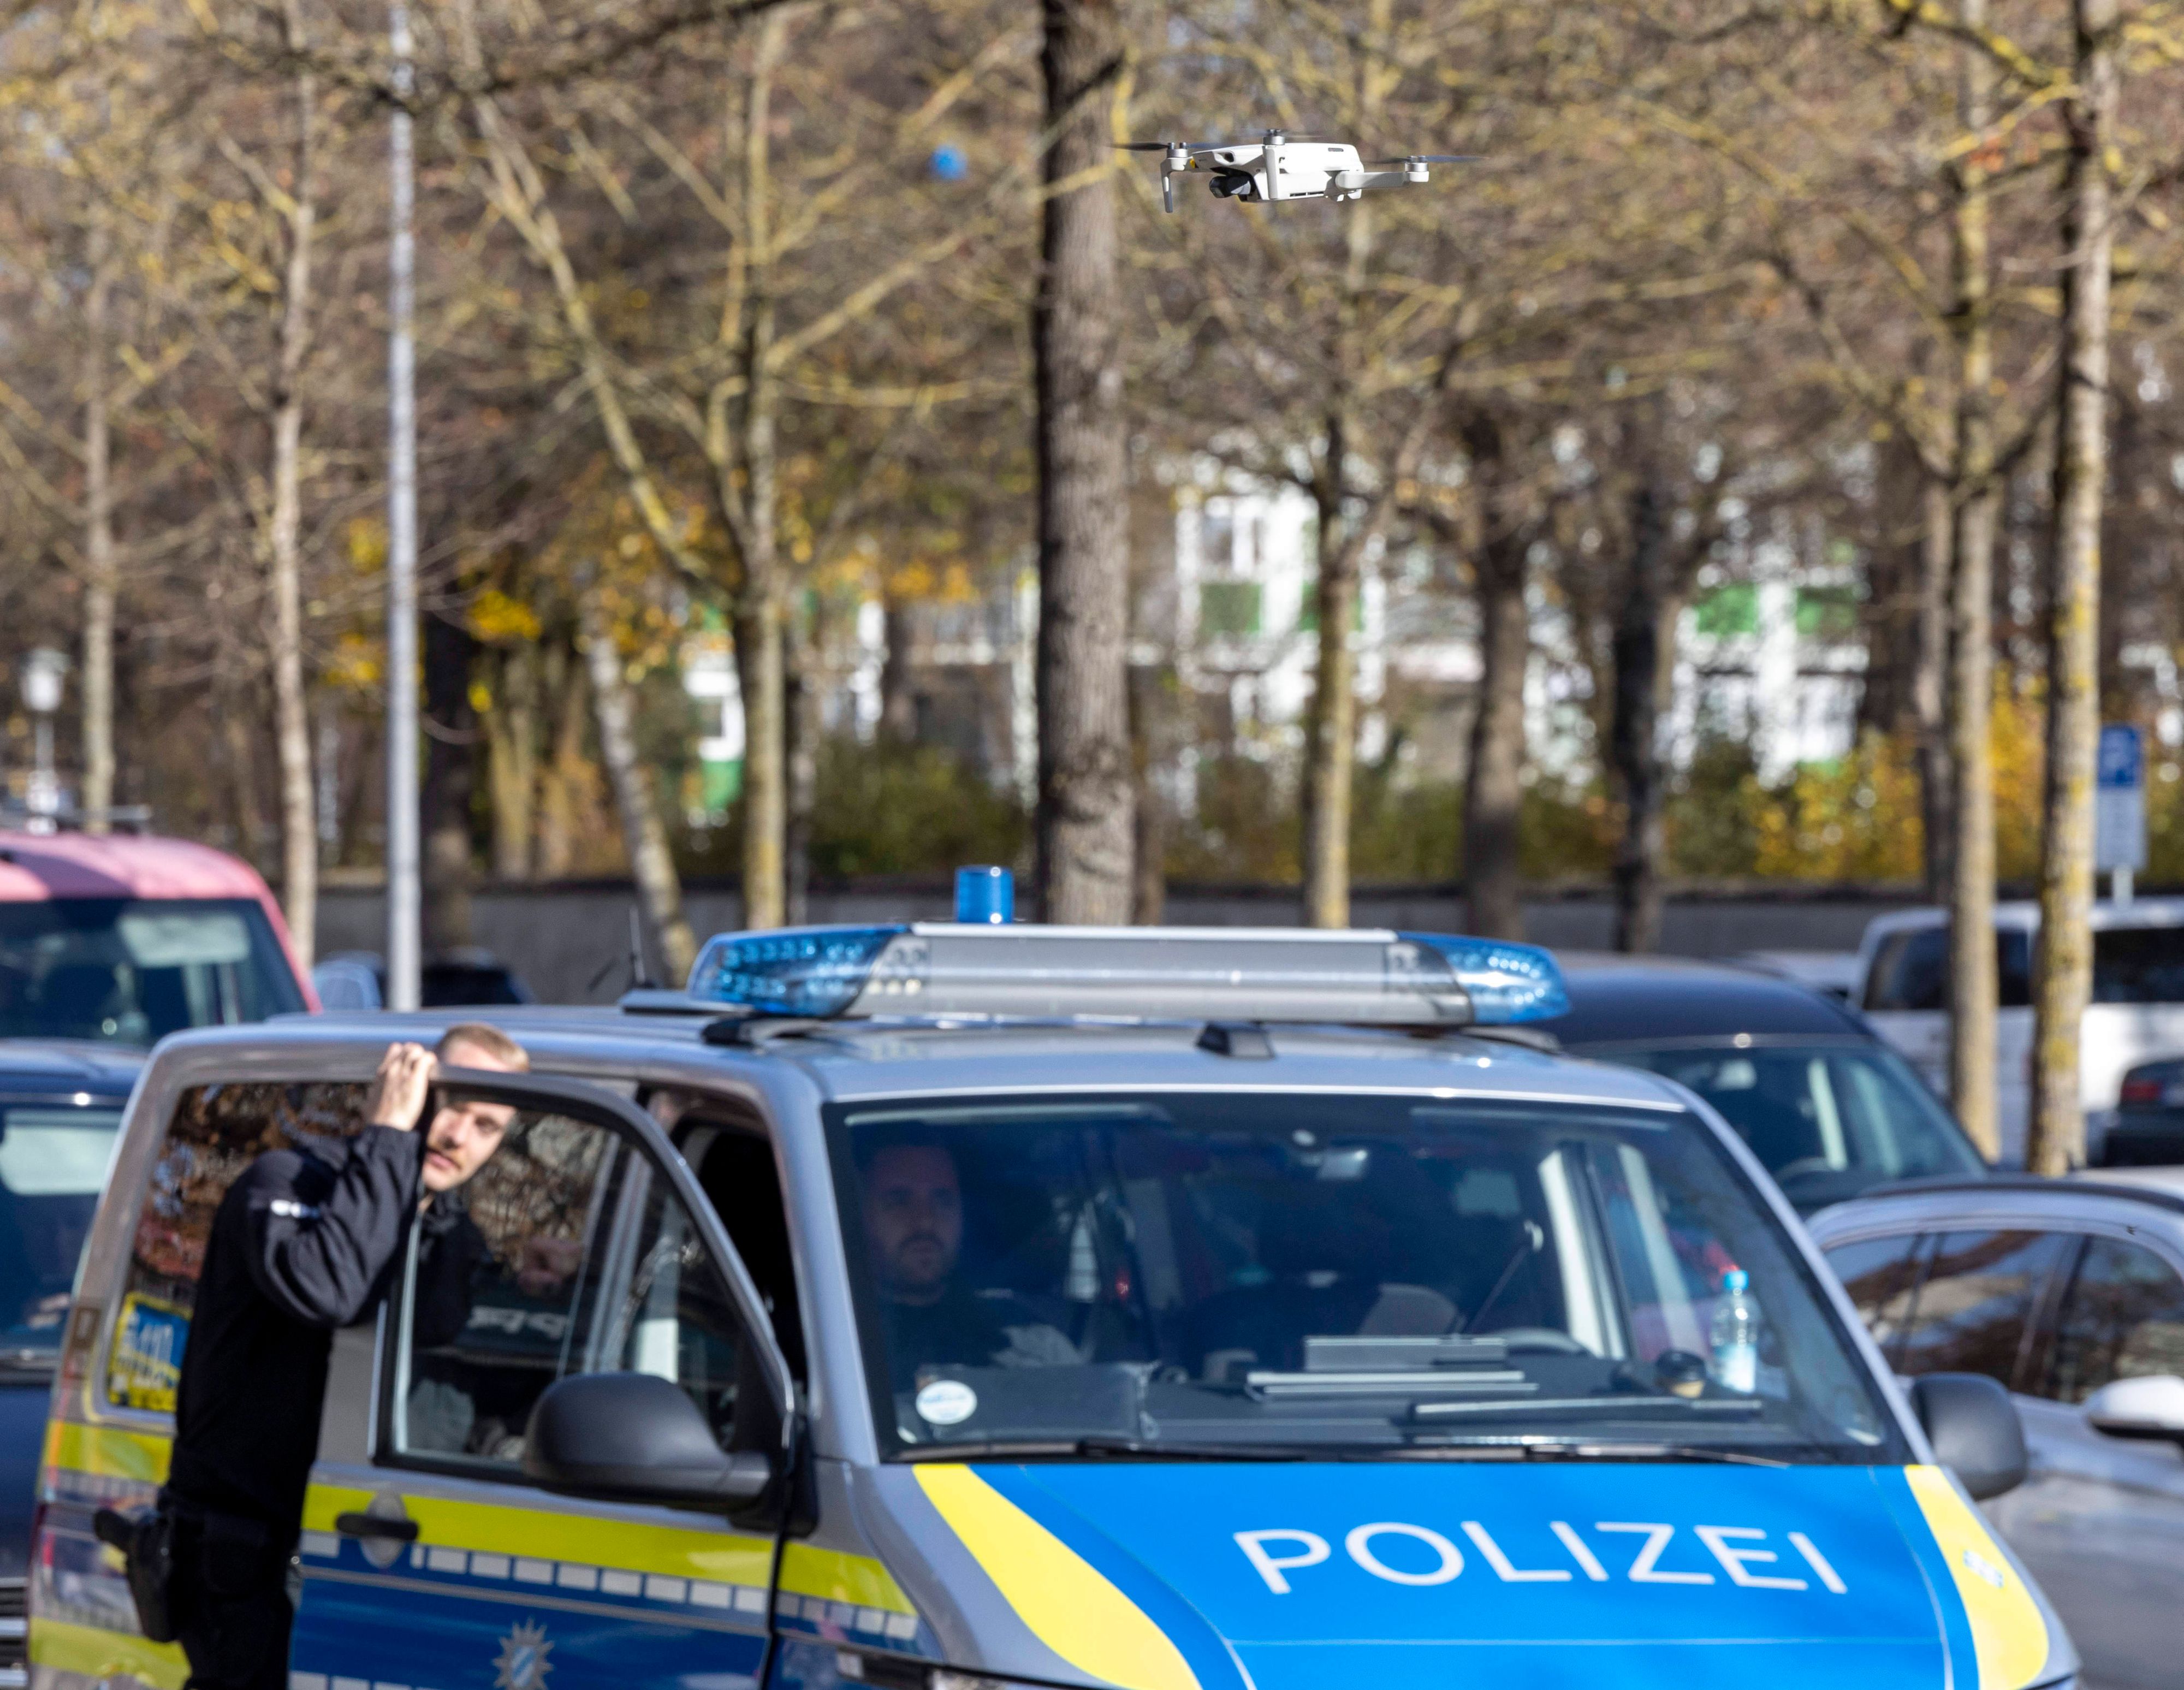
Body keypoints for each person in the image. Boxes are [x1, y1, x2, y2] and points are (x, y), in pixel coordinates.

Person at [163, 1024, 528, 1690]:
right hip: (246, 1554)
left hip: (359, 1542)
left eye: (487, 1125)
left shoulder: (451, 1233)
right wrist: (387, 1134)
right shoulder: (284, 1182)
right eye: (449, 1105)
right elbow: (334, 1288)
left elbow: (443, 1362)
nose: (458, 1136)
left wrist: (542, 1282)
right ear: (407, 1088)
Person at [858, 1137, 1076, 1385]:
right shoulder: (835, 1344)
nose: (925, 1222)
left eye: (943, 1201)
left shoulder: (1032, 1346)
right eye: (899, 1202)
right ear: (859, 1214)